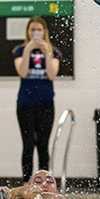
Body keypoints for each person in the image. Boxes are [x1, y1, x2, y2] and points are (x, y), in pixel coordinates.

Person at [13, 17, 61, 183]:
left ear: (44, 32)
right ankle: (27, 182)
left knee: (42, 145)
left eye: (39, 30)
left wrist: (46, 52)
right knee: (27, 145)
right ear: (28, 31)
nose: (36, 33)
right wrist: (28, 50)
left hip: (46, 105)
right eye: (32, 30)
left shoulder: (53, 51)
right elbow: (23, 72)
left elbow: (52, 74)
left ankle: (44, 184)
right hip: (26, 104)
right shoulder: (19, 51)